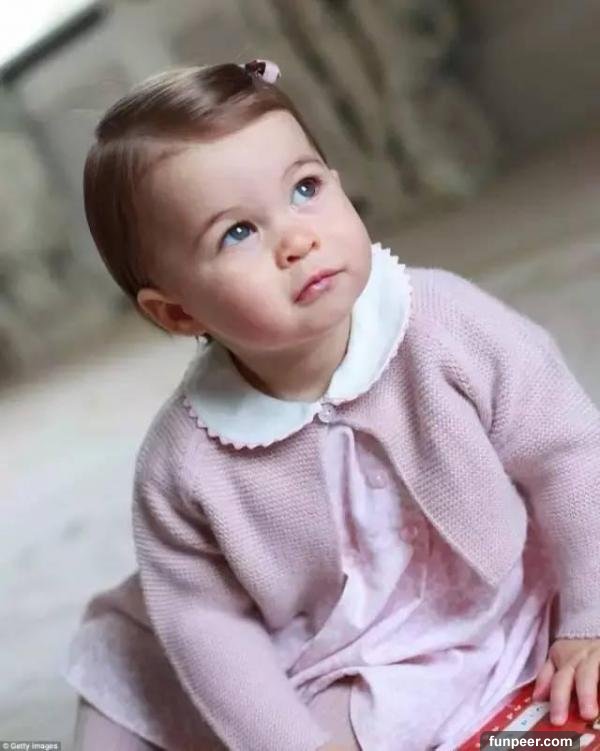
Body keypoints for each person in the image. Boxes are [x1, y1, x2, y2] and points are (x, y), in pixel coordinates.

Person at [63, 59, 600, 751]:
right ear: (178, 312)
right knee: (129, 670)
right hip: (337, 652)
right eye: (237, 232)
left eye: (305, 188)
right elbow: (207, 628)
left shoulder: (443, 322)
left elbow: (568, 450)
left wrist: (590, 617)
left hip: (501, 589)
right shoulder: (184, 465)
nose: (297, 239)